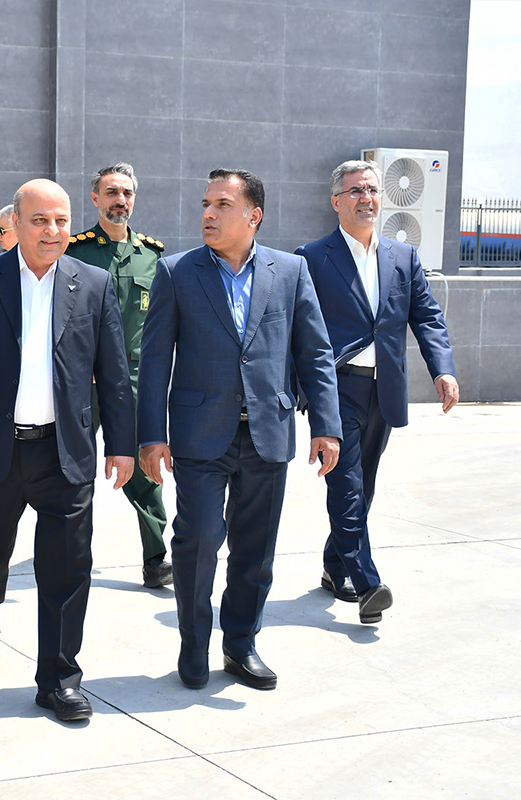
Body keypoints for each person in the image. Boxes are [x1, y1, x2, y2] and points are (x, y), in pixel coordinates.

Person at [0, 178, 135, 723]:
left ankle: (59, 679)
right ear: (15, 224)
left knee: (68, 568)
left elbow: (114, 374)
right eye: (40, 220)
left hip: (64, 452)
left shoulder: (93, 283)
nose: (52, 231)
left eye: (61, 220)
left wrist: (122, 445)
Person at [137, 169, 342, 692]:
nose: (208, 213)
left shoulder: (290, 270)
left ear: (254, 215)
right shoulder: (177, 271)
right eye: (206, 204)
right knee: (198, 540)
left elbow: (315, 353)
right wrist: (150, 435)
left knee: (255, 550)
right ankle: (193, 644)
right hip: (199, 433)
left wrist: (327, 425)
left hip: (268, 432)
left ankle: (241, 643)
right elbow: (154, 359)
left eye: (222, 205)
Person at [295, 160, 459, 624]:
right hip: (335, 389)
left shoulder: (403, 257)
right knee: (345, 485)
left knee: (361, 485)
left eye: (371, 189)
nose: (365, 198)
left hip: (383, 388)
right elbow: (296, 329)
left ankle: (335, 567)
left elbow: (426, 316)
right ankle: (368, 584)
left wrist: (442, 370)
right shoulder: (312, 257)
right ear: (336, 201)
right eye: (355, 191)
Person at [66, 162, 171, 589]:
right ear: (95, 198)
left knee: (146, 472)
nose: (120, 200)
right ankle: (71, 555)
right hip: (85, 382)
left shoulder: (152, 256)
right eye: (111, 192)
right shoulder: (74, 252)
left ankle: (156, 558)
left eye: (126, 193)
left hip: (135, 382)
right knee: (74, 470)